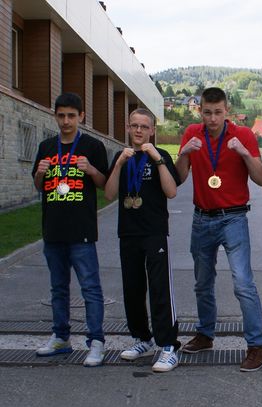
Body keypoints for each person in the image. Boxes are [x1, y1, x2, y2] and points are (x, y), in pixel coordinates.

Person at [175, 87, 262, 372]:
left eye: (218, 112)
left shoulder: (243, 135)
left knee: (243, 283)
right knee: (202, 282)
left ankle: (257, 345)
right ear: (199, 111)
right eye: (207, 112)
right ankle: (205, 334)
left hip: (234, 218)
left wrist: (244, 153)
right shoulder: (192, 133)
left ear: (226, 111)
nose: (212, 119)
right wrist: (184, 154)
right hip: (201, 218)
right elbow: (179, 178)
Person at [31, 92, 108, 367]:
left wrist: (90, 170)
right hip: (53, 230)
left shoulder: (93, 146)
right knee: (58, 288)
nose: (66, 121)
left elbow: (104, 185)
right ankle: (61, 337)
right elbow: (39, 186)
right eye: (61, 116)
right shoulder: (46, 146)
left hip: (82, 231)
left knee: (90, 288)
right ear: (55, 116)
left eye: (71, 116)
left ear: (81, 117)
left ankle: (96, 341)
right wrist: (40, 173)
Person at [104, 108, 181, 373]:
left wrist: (157, 158)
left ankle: (168, 346)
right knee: (133, 290)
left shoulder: (161, 156)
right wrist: (118, 165)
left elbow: (171, 191)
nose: (138, 130)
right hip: (128, 231)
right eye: (134, 126)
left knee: (160, 288)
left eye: (144, 126)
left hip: (154, 231)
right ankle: (142, 338)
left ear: (152, 130)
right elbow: (109, 194)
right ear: (127, 128)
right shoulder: (120, 157)